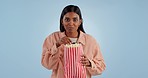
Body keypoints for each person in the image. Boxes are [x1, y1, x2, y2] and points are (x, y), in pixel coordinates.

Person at [41, 5, 106, 78]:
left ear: (80, 22)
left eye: (75, 20)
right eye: (67, 19)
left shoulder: (90, 41)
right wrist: (57, 45)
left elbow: (101, 67)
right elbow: (47, 65)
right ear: (62, 21)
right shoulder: (52, 38)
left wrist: (90, 63)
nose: (71, 23)